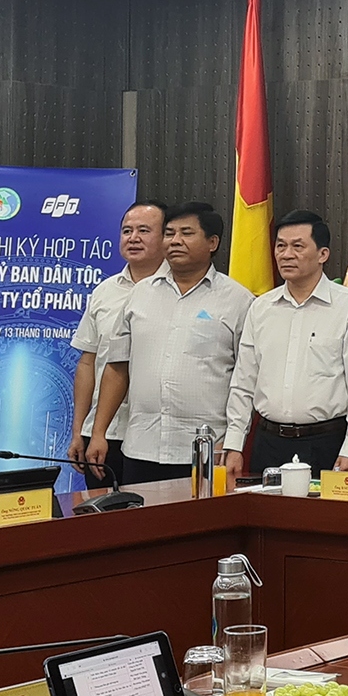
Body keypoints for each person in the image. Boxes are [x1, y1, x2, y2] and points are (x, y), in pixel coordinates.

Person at [91, 202, 254, 484]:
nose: (175, 241)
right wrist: (98, 432)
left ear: (212, 243)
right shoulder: (140, 294)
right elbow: (117, 367)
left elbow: (245, 379)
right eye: (169, 233)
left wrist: (234, 443)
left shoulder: (238, 300)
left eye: (186, 233)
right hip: (141, 445)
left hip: (206, 449)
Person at [223, 210, 348, 480]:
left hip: (328, 443)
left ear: (323, 254)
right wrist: (234, 443)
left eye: (298, 246)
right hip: (269, 443)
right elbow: (243, 382)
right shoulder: (261, 308)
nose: (286, 255)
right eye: (281, 246)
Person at [67, 200, 168, 490]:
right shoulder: (105, 291)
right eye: (127, 231)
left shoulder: (177, 291)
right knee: (102, 512)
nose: (133, 238)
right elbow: (88, 362)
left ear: (166, 237)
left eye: (144, 231)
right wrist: (79, 431)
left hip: (155, 435)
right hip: (103, 432)